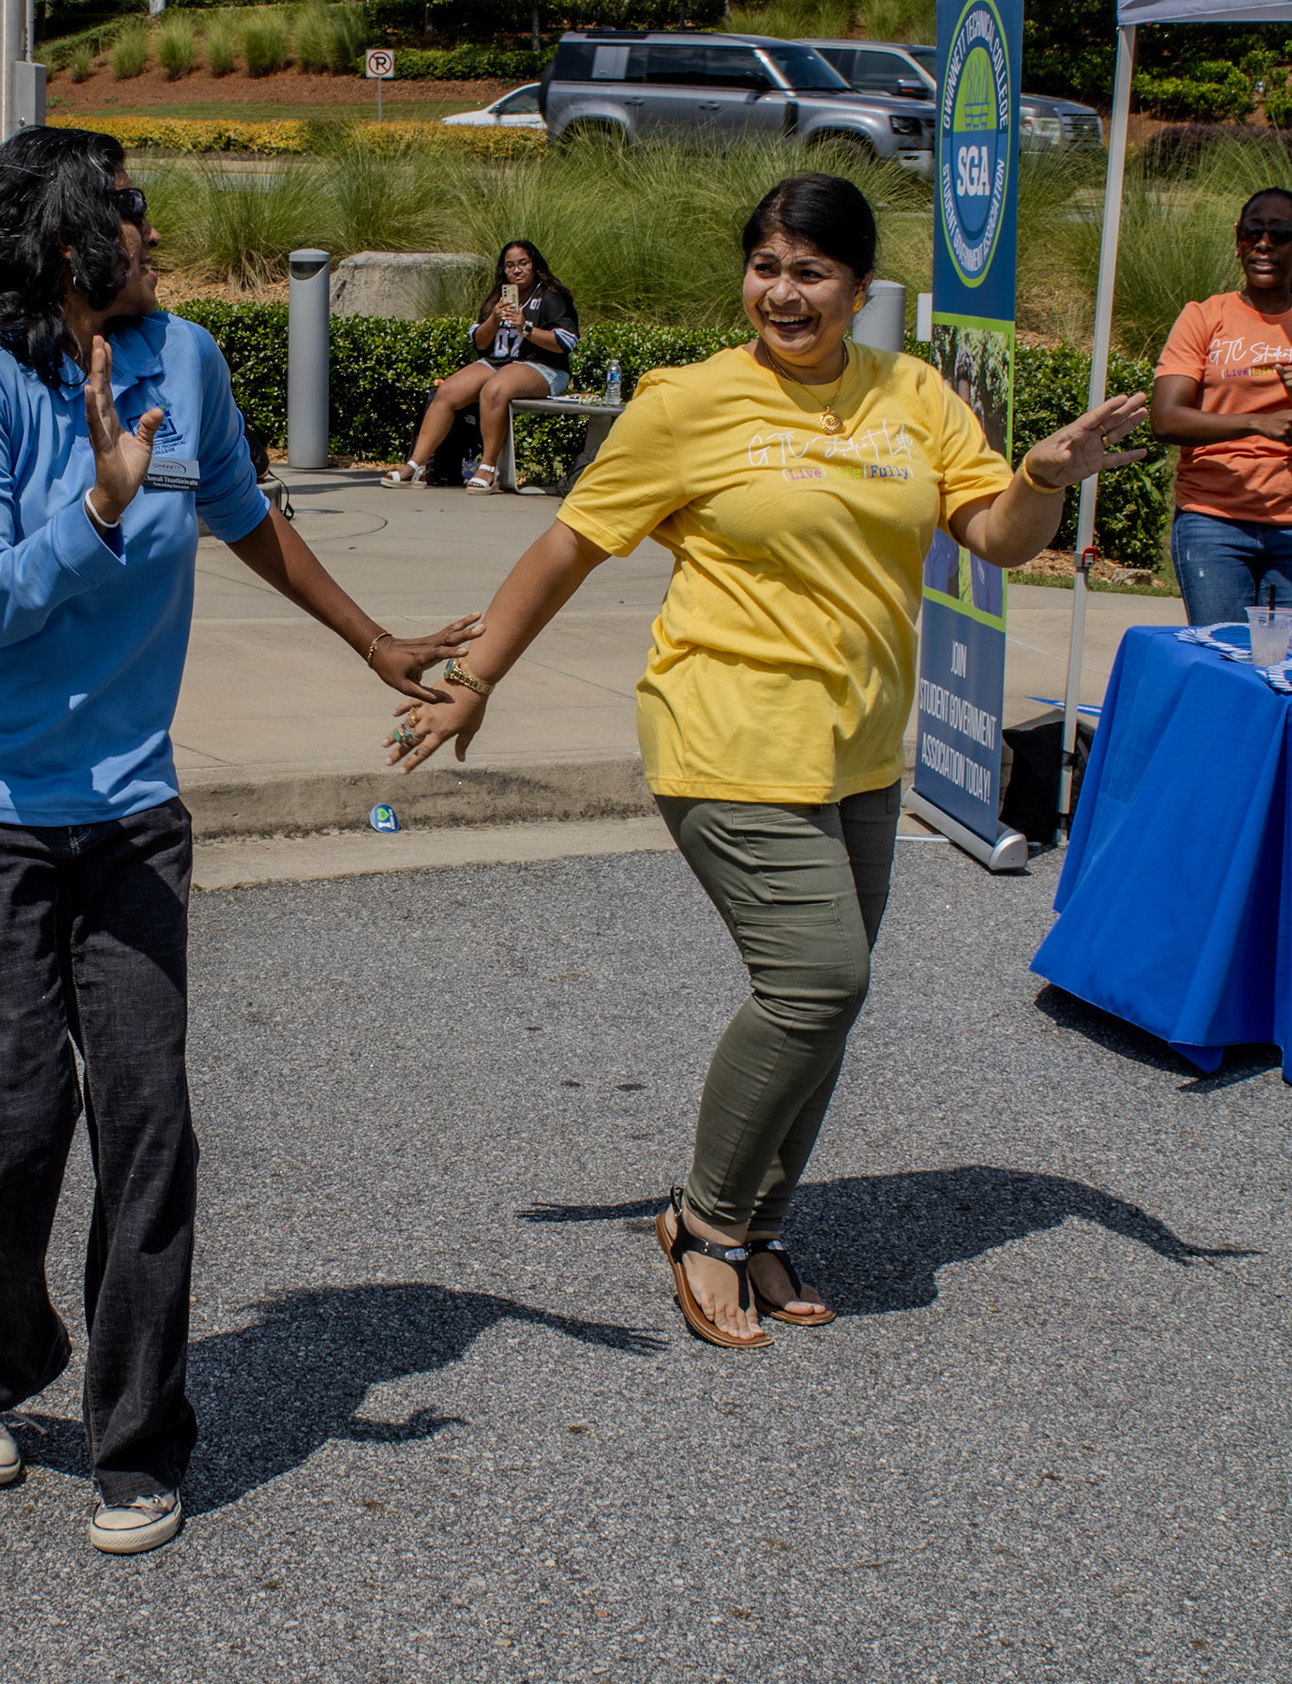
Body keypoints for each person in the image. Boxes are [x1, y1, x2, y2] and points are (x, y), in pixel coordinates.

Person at [384, 173, 1148, 1349]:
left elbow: (991, 535)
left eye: (810, 273)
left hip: (858, 750)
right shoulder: (691, 403)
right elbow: (566, 547)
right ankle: (702, 1221)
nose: (782, 294)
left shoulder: (914, 393)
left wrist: (1044, 476)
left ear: (857, 288)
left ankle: (756, 1221)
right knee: (818, 982)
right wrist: (477, 681)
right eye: (766, 268)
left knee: (824, 1006)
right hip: (723, 734)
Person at [0, 128, 479, 1552]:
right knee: (22, 1109)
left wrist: (372, 641)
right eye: (131, 210)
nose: (156, 230)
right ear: (63, 239)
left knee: (150, 1118)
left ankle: (140, 1434)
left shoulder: (183, 359)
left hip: (127, 805)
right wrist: (96, 503)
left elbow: (246, 515)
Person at [1152, 186, 1292, 625]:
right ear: (1238, 240)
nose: (1263, 245)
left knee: (1283, 670)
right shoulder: (1204, 316)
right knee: (1225, 660)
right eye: (1253, 231)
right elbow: (1166, 418)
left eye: (1281, 233)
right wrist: (1256, 423)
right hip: (1213, 522)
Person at [381, 241, 579, 493]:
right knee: (448, 391)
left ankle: (488, 467)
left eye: (523, 263)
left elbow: (566, 342)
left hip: (543, 367)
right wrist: (495, 318)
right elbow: (479, 342)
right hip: (496, 363)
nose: (517, 270)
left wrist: (526, 328)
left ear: (535, 265)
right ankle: (416, 465)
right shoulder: (500, 296)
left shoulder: (551, 296)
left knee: (494, 389)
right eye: (510, 265)